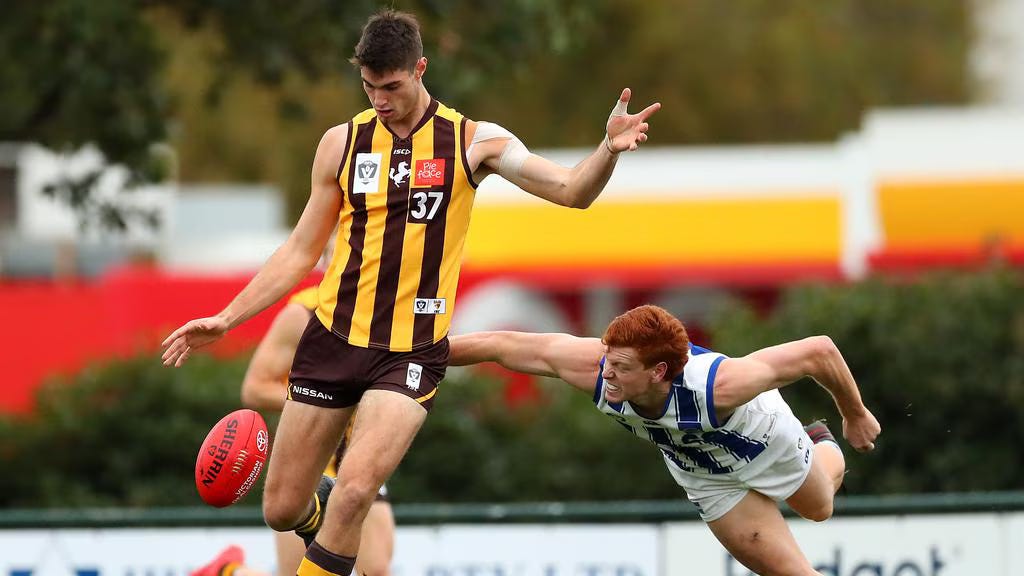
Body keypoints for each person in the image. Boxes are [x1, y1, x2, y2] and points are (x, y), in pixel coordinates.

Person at [161, 9, 660, 575]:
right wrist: (227, 318)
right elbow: (300, 251)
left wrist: (607, 151)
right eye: (368, 86)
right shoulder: (341, 144)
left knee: (355, 492)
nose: (380, 100)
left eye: (392, 86)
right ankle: (303, 537)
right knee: (282, 510)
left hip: (411, 354)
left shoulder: (473, 141)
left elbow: (571, 191)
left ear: (420, 69)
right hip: (334, 339)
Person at [447, 304, 881, 576]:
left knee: (819, 508)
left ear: (657, 372)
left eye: (621, 366)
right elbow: (499, 344)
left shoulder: (720, 386)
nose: (606, 373)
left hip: (763, 442)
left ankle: (821, 442)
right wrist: (416, 356)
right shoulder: (594, 367)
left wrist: (855, 414)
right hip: (704, 475)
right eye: (607, 359)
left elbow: (818, 351)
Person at [190, 285, 395, 576]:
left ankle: (229, 571)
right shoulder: (305, 313)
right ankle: (228, 571)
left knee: (376, 570)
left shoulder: (389, 311)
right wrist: (330, 401)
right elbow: (255, 388)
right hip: (313, 461)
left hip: (362, 458)